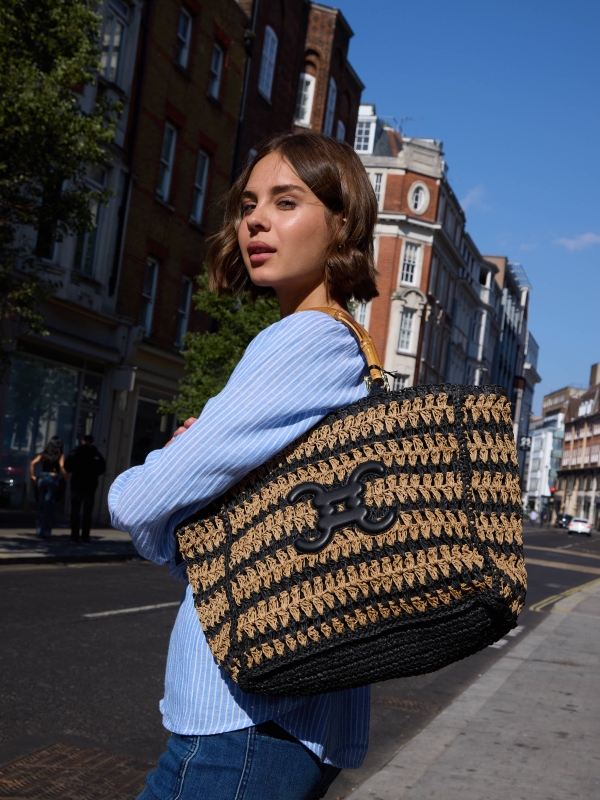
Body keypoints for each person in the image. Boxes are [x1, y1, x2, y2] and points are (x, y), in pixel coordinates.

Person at [109, 131, 379, 800]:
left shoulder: (306, 338)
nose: (255, 220)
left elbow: (139, 501)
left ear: (342, 223)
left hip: (244, 718)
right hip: (291, 713)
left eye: (286, 201)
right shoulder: (345, 343)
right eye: (249, 203)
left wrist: (168, 462)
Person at [65, 434, 106, 543]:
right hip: (90, 486)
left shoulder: (76, 452)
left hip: (77, 485)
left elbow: (67, 466)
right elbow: (102, 469)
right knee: (87, 512)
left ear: (82, 441)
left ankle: (74, 536)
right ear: (92, 442)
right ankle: (85, 536)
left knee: (75, 511)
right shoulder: (96, 454)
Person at [29, 436, 67, 538]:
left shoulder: (44, 454)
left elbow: (32, 463)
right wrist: (65, 477)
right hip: (52, 478)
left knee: (41, 504)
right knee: (49, 505)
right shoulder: (60, 455)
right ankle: (46, 531)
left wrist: (33, 475)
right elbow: (62, 466)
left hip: (42, 478)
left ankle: (39, 529)